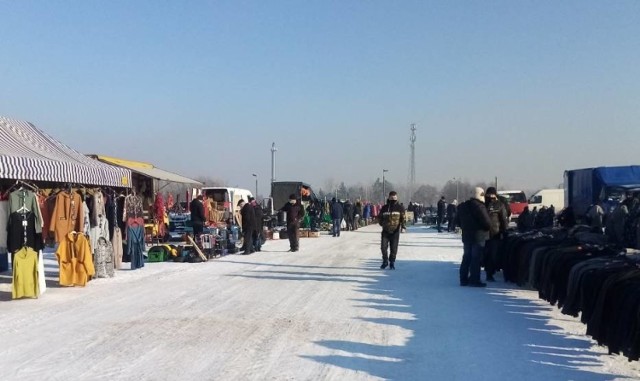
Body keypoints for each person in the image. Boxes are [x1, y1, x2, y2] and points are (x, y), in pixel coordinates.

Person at [456, 187, 491, 287]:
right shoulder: (480, 206)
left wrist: (465, 227)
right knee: (476, 258)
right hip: (478, 236)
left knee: (466, 257)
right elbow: (487, 222)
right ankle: (474, 280)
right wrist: (485, 229)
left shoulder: (463, 206)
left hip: (466, 236)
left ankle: (463, 279)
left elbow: (457, 221)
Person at [483, 187, 508, 282]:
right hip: (486, 232)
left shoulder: (499, 205)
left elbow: (503, 219)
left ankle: (490, 272)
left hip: (495, 233)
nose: (490, 196)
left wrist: (504, 231)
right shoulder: (483, 204)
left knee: (492, 254)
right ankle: (488, 271)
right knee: (486, 254)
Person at [378, 191, 406, 270]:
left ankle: (392, 262)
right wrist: (382, 224)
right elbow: (380, 217)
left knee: (393, 248)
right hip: (385, 231)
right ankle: (385, 261)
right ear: (389, 197)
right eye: (391, 197)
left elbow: (403, 218)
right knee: (383, 247)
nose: (393, 199)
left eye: (394, 197)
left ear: (397, 197)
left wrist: (403, 227)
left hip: (395, 231)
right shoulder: (384, 207)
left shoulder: (400, 208)